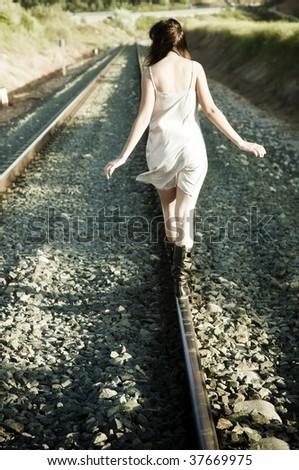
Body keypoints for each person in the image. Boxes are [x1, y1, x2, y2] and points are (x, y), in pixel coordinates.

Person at [104, 18, 266, 299]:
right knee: (185, 215)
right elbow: (212, 110)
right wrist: (241, 142)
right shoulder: (194, 69)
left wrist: (122, 156)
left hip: (161, 151)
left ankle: (173, 274)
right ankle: (181, 282)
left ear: (157, 41)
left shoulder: (151, 72)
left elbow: (143, 117)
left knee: (170, 214)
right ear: (180, 40)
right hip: (192, 150)